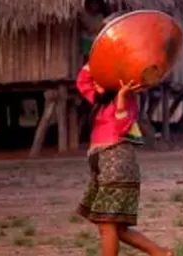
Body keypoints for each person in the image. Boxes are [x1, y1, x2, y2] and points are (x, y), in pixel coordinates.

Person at [75, 64, 172, 256]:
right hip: (103, 165)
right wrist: (98, 62)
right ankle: (162, 254)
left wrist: (120, 98)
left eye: (100, 82)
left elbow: (120, 128)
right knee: (116, 228)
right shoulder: (100, 101)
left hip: (117, 163)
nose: (95, 85)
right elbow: (82, 81)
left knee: (107, 224)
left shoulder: (128, 99)